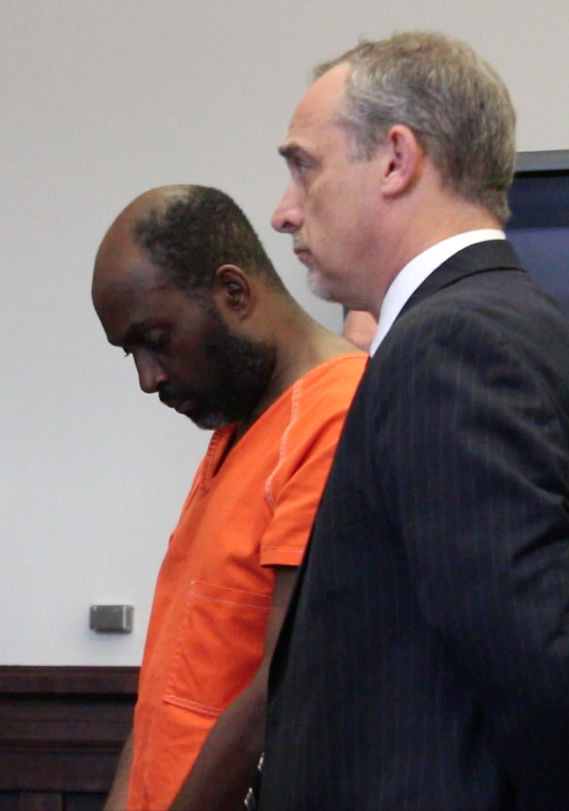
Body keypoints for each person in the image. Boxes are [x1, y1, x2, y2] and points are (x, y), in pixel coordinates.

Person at [260, 31, 569, 809]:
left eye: (303, 166)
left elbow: (544, 675)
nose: (284, 212)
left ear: (395, 159)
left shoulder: (453, 345)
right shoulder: (514, 325)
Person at [91, 185, 366, 811]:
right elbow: (172, 685)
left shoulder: (338, 413)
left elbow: (280, 688)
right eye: (130, 353)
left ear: (233, 292)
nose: (148, 377)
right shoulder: (236, 426)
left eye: (155, 338)